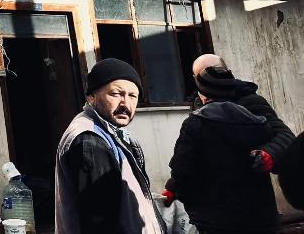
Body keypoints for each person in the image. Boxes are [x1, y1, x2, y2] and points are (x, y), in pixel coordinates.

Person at [163, 55, 295, 234]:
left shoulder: (250, 101)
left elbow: (285, 136)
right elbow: (189, 161)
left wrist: (268, 154)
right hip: (212, 217)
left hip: (252, 212)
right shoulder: (198, 108)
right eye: (200, 76)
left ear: (225, 71)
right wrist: (173, 188)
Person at [54, 58, 165, 234]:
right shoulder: (90, 141)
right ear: (91, 97)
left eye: (132, 96)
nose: (125, 103)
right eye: (116, 94)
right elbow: (101, 221)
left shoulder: (113, 133)